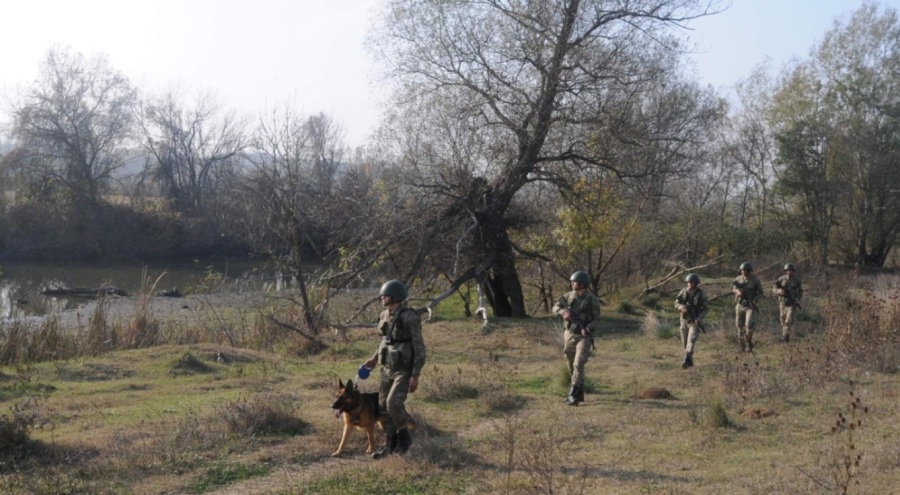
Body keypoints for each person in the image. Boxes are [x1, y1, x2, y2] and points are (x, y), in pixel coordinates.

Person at [363, 280, 426, 458]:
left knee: (393, 404)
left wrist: (415, 374)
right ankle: (391, 443)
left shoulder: (409, 317)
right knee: (382, 406)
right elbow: (385, 340)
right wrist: (375, 358)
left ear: (395, 297)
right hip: (387, 367)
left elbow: (419, 347)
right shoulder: (384, 315)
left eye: (385, 295)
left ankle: (404, 438)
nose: (382, 298)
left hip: (404, 370)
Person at [552, 271, 601, 406]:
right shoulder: (568, 296)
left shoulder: (592, 300)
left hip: (584, 336)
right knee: (570, 362)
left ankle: (573, 394)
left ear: (582, 284)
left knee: (578, 363)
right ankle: (579, 391)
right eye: (572, 282)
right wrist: (563, 312)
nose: (572, 284)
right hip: (569, 334)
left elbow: (597, 319)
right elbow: (555, 306)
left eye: (574, 282)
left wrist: (588, 328)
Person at [674, 273, 708, 369]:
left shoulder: (701, 293)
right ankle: (689, 359)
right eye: (688, 282)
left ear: (696, 283)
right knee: (684, 340)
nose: (690, 284)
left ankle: (687, 358)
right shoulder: (683, 292)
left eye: (692, 282)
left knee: (692, 338)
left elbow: (706, 308)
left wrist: (699, 318)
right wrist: (681, 307)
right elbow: (676, 303)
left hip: (694, 319)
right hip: (684, 318)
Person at [731, 262, 763, 352]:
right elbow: (733, 287)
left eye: (745, 270)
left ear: (749, 271)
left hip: (750, 306)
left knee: (749, 325)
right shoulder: (738, 279)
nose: (743, 272)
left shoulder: (755, 280)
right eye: (742, 270)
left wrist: (754, 300)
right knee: (739, 326)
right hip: (740, 305)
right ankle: (741, 346)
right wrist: (737, 291)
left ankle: (749, 344)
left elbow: (761, 293)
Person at [774, 263, 804, 343]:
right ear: (785, 271)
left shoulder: (797, 280)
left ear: (793, 271)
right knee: (782, 319)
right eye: (787, 270)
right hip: (783, 303)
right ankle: (786, 336)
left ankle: (784, 337)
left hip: (792, 303)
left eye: (791, 270)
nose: (789, 272)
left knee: (788, 321)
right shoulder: (781, 279)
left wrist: (798, 298)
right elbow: (774, 288)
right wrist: (779, 291)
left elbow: (800, 291)